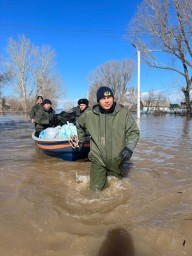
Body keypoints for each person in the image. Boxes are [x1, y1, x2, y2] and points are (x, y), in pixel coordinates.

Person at [76, 86, 140, 191]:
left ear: (113, 98)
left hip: (117, 160)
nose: (107, 101)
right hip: (98, 159)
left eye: (109, 97)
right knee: (95, 191)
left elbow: (133, 132)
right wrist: (81, 139)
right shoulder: (90, 115)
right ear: (98, 101)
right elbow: (79, 124)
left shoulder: (124, 114)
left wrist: (129, 148)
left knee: (115, 191)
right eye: (103, 98)